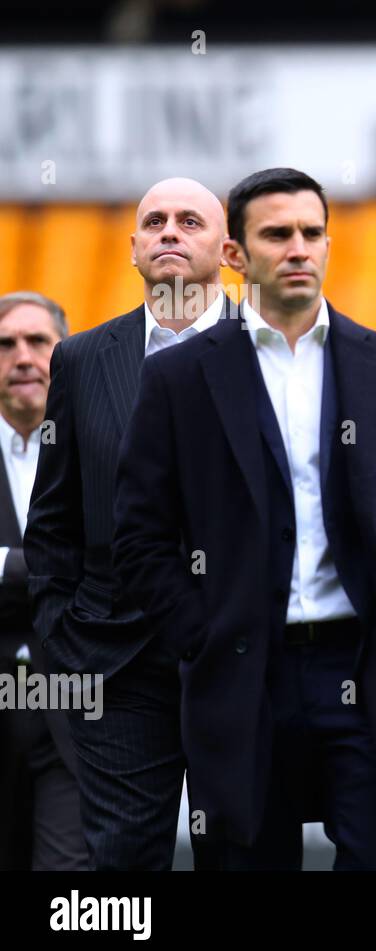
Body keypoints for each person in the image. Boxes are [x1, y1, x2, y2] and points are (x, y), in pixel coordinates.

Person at [112, 167, 376, 869]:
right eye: (278, 234)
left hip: (367, 670)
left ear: (329, 245)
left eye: (312, 233)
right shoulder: (180, 377)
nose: (299, 248)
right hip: (241, 671)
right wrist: (199, 633)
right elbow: (140, 535)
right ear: (236, 255)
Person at [24, 179, 233, 870]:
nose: (169, 231)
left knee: (240, 852)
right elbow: (52, 521)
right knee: (119, 866)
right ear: (135, 249)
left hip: (237, 658)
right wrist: (65, 633)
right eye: (155, 222)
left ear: (227, 247)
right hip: (114, 665)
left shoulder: (271, 352)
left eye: (189, 220)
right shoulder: (81, 360)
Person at [0, 291, 87, 870]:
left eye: (38, 342)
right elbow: (82, 567)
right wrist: (59, 569)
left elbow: (121, 566)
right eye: (5, 345)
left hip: (78, 712)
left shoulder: (106, 445)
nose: (23, 357)